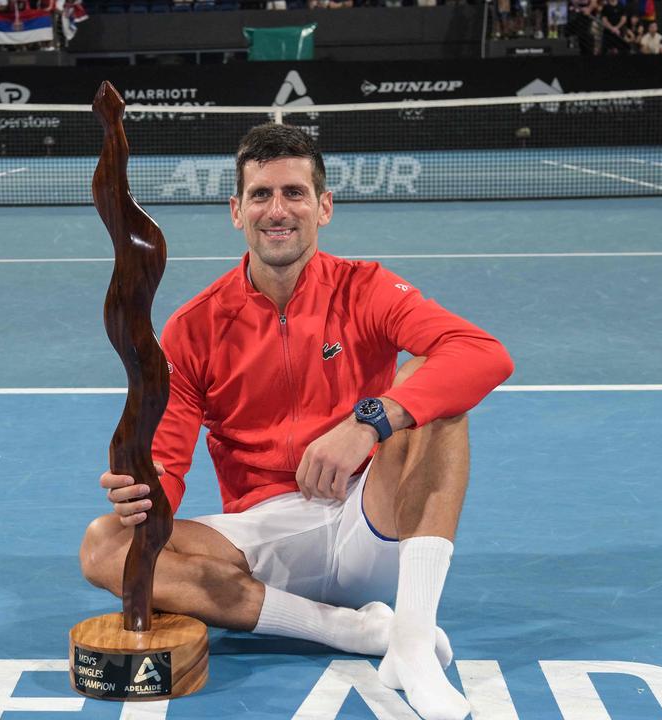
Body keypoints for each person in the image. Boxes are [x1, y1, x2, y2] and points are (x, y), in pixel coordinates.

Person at [81, 124, 513, 720]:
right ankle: (346, 631)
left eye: (294, 193)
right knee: (106, 544)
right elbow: (168, 462)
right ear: (236, 211)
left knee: (434, 395)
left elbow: (485, 353)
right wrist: (145, 488)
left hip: (371, 519)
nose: (276, 210)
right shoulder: (193, 327)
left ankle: (410, 644)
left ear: (324, 206)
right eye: (260, 195)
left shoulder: (368, 288)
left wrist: (368, 420)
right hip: (265, 541)